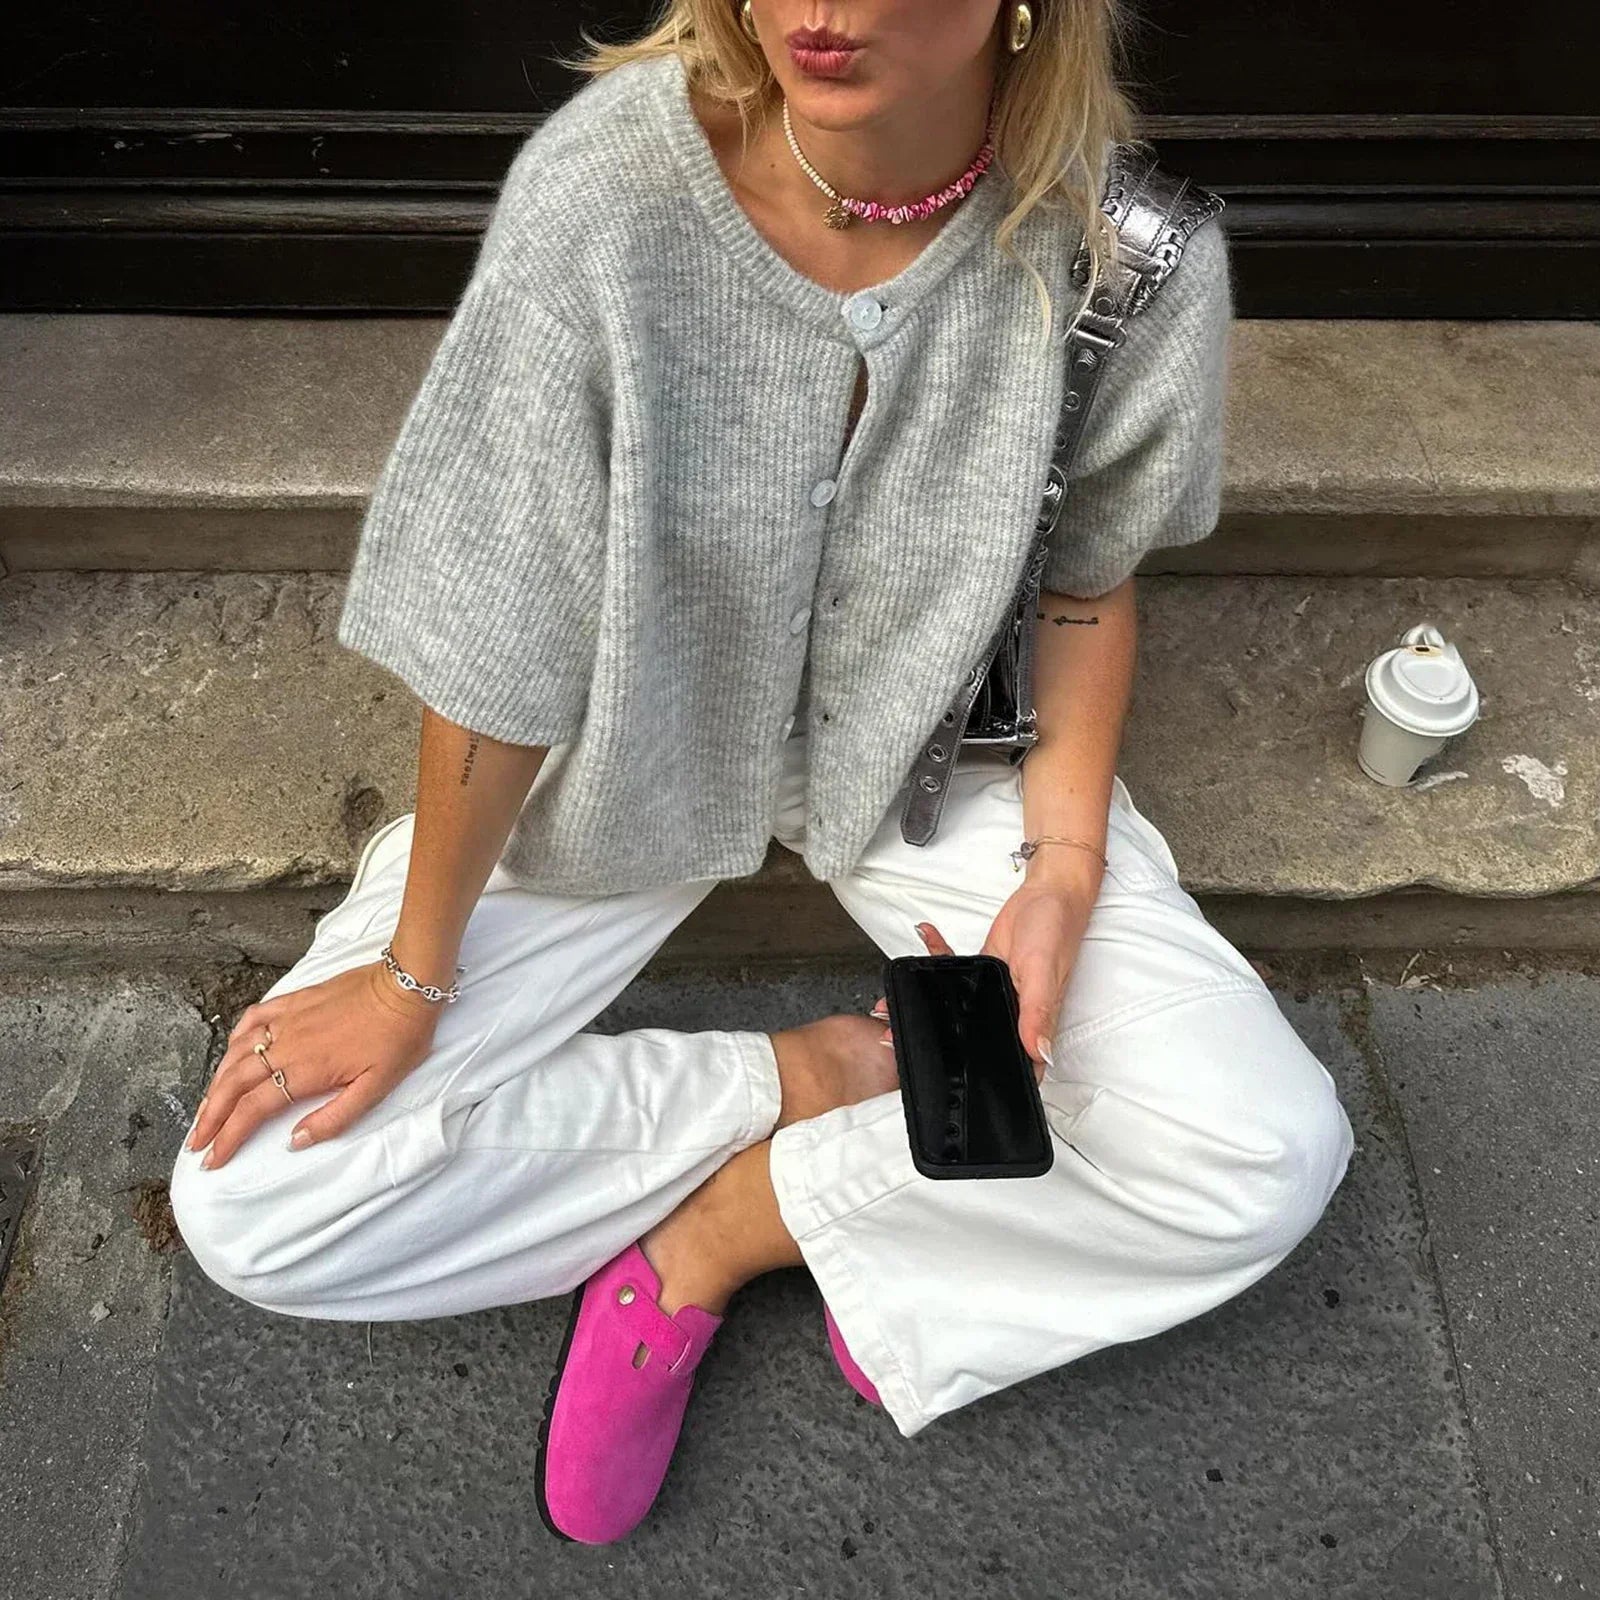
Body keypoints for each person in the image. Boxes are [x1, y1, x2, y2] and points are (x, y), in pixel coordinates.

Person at [168, 0, 1355, 1548]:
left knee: (1267, 1150)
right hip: (619, 753)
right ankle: (821, 1092)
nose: (820, 12)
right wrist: (412, 971)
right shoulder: (611, 190)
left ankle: (732, 1231)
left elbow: (1083, 582)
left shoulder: (1125, 255)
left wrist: (1063, 868)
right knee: (255, 1199)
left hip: (936, 761)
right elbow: (498, 631)